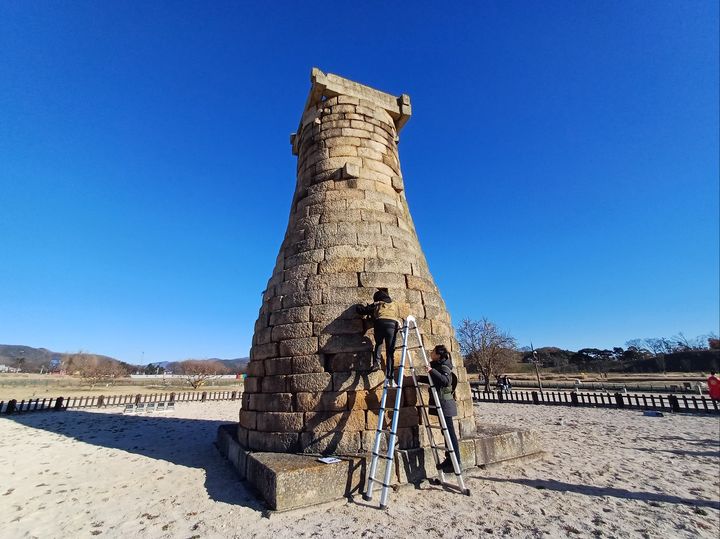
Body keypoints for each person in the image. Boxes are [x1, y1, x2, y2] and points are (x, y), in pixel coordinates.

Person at [427, 344, 460, 472]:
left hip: (445, 404)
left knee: (449, 433)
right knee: (445, 432)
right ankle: (449, 459)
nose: (431, 353)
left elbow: (445, 381)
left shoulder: (444, 366)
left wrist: (430, 370)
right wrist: (419, 378)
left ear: (438, 355)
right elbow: (436, 380)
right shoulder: (439, 366)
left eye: (433, 351)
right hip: (442, 403)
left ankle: (455, 461)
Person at [356, 289, 401, 383]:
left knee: (379, 343)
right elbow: (397, 315)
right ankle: (390, 377)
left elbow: (363, 310)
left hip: (380, 323)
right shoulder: (395, 304)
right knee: (390, 352)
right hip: (392, 325)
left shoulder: (377, 303)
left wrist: (358, 306)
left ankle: (376, 363)